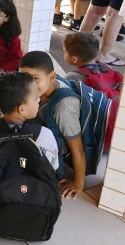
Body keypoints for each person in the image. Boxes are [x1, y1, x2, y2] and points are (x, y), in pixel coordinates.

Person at [19, 51, 86, 199]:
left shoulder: (64, 106)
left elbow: (77, 148)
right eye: (24, 78)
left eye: (35, 79)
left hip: (55, 146)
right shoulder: (43, 85)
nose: (28, 85)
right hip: (43, 129)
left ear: (52, 77)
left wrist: (78, 182)